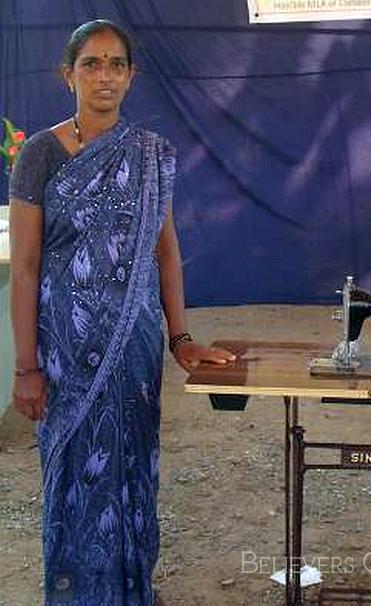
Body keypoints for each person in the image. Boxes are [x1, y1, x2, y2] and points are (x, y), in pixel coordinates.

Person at [9, 20, 235, 606]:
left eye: (115, 64)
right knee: (75, 474)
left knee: (131, 467)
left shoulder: (152, 156)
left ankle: (133, 590)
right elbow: (27, 267)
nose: (103, 75)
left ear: (131, 77)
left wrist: (181, 338)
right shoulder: (38, 155)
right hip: (65, 352)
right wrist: (26, 366)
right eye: (91, 63)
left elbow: (166, 252)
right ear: (69, 75)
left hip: (132, 347)